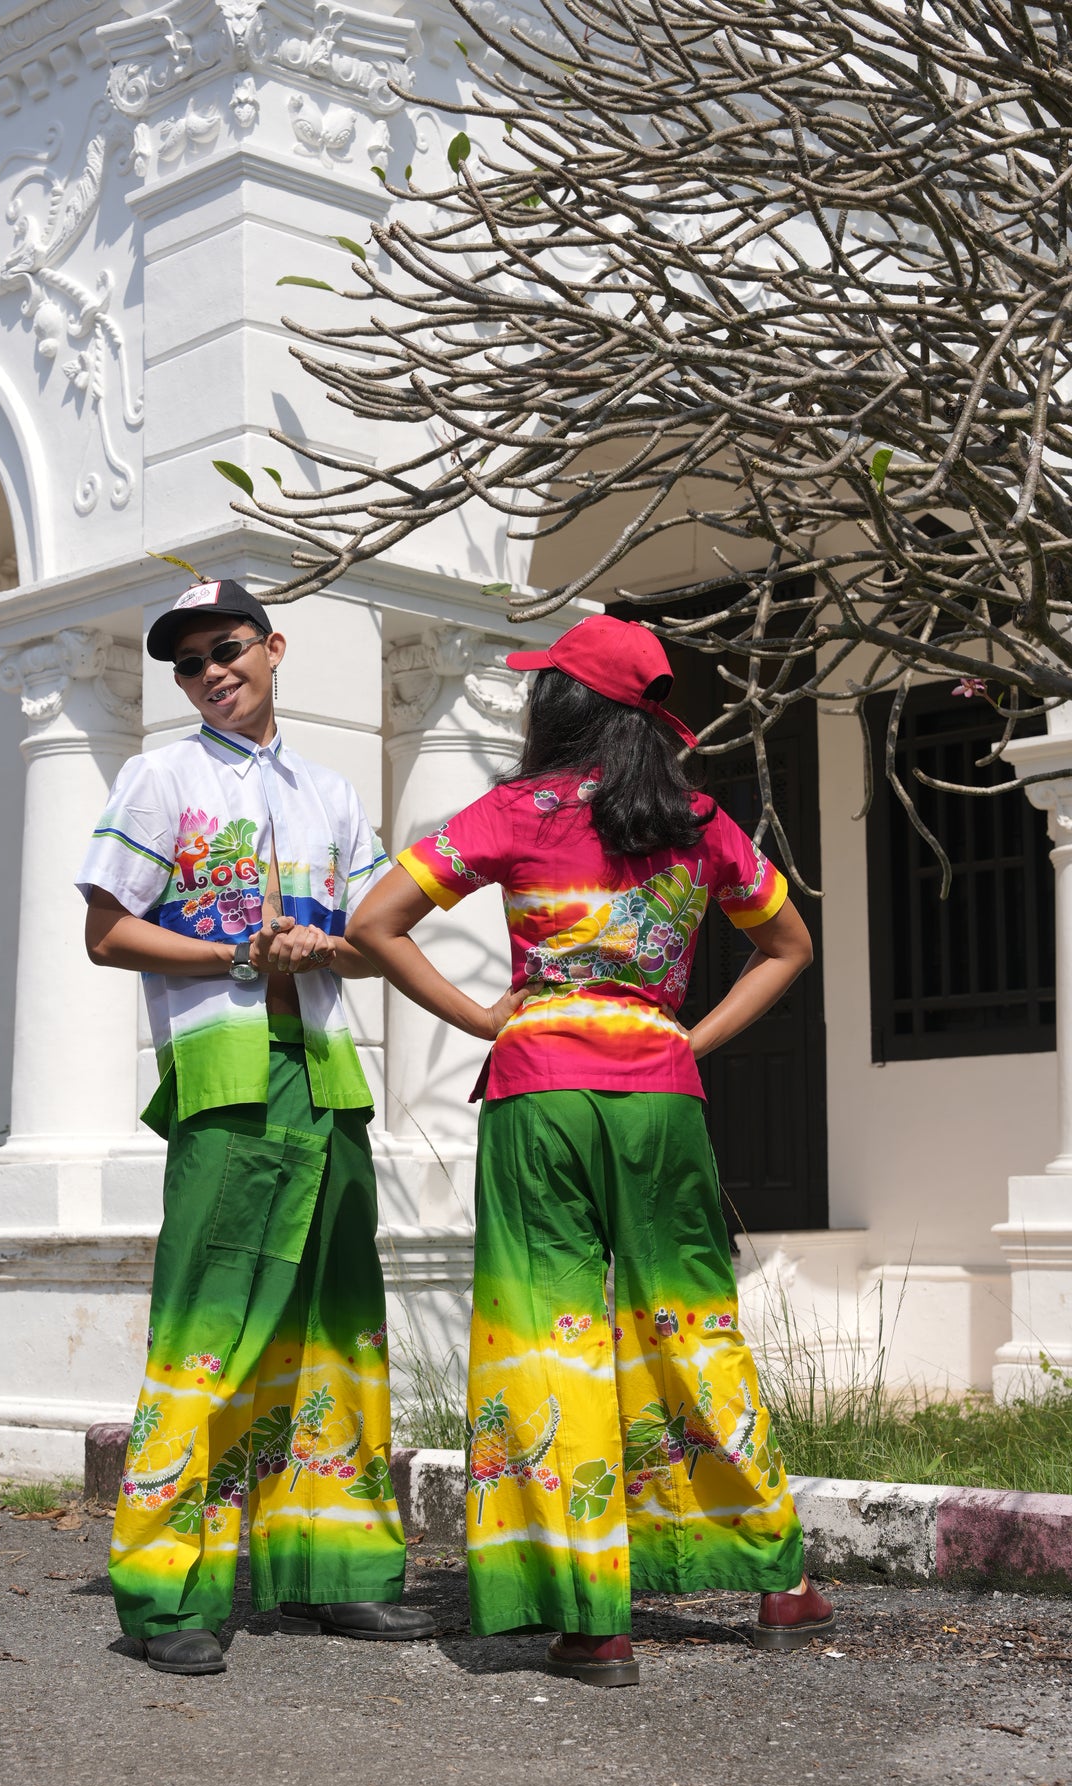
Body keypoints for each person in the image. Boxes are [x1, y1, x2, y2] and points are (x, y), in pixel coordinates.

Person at [348, 614, 834, 1688]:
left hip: (539, 1093)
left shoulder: (510, 812)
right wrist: (683, 1037)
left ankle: (591, 1616)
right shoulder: (697, 817)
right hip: (659, 1098)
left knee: (548, 1338)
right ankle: (780, 1583)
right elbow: (786, 944)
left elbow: (376, 921)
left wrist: (488, 1020)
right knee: (690, 1328)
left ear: (558, 707)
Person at [76, 574, 434, 1675]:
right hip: (227, 1085)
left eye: (226, 647)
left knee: (335, 1326)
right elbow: (107, 933)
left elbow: (376, 930)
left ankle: (336, 1573)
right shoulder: (157, 777)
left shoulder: (330, 794)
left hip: (327, 1080)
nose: (209, 672)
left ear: (273, 648)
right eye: (186, 663)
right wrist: (238, 954)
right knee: (210, 1325)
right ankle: (164, 1596)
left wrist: (322, 948)